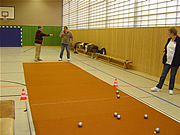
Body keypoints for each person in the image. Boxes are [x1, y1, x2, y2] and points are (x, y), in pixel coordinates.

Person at [151, 27, 180, 95]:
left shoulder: (179, 41)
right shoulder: (169, 40)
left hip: (175, 62)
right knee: (163, 74)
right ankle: (158, 87)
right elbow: (166, 48)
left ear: (173, 33)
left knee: (172, 76)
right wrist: (165, 51)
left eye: (169, 32)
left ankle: (171, 88)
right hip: (167, 61)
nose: (168, 34)